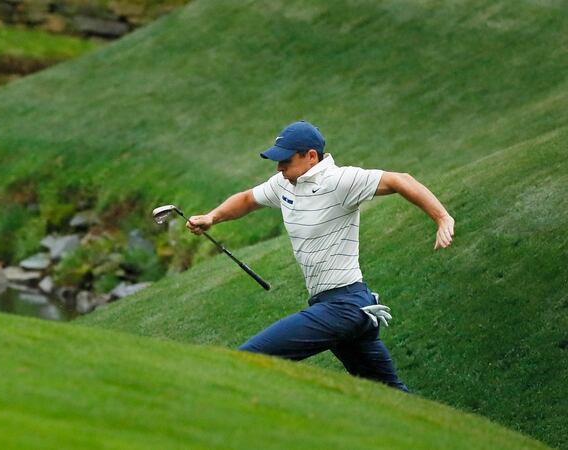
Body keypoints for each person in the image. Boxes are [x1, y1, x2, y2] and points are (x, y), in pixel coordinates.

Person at [185, 121, 455, 391]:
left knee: (247, 358)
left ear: (311, 156)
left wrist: (442, 218)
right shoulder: (284, 184)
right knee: (390, 394)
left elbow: (401, 180)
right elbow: (247, 199)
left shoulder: (339, 181)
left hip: (343, 306)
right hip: (345, 307)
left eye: (286, 161)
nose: (280, 168)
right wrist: (212, 217)